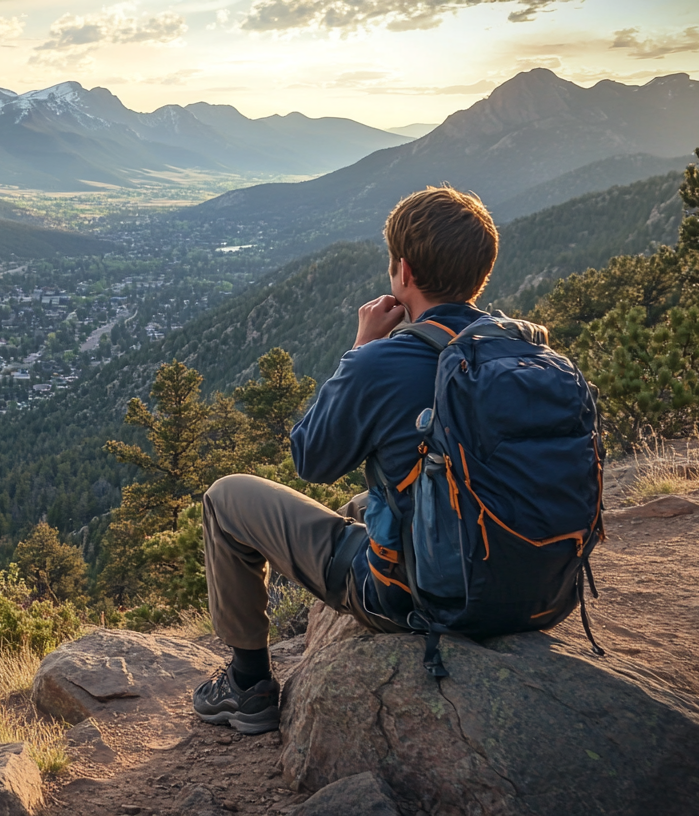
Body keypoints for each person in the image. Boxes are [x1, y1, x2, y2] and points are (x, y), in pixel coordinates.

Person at [192, 186, 499, 734]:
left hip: (419, 595)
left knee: (225, 498)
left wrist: (359, 351)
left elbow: (311, 458)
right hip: (528, 585)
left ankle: (247, 685)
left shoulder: (383, 361)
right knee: (365, 502)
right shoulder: (522, 353)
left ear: (404, 272)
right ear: (481, 274)